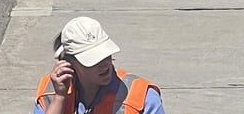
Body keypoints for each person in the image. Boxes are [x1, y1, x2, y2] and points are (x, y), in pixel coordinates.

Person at [33, 16, 163, 114]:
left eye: (106, 55)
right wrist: (59, 97)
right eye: (93, 60)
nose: (105, 64)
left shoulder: (142, 95)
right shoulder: (49, 92)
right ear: (70, 64)